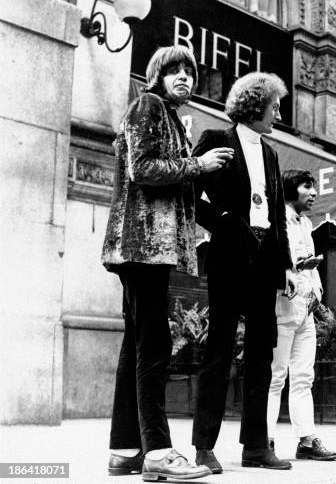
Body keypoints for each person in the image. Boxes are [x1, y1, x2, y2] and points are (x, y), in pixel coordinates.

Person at [101, 45, 234, 481]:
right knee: (153, 344)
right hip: (142, 244)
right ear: (156, 74)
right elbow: (142, 169)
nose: (183, 77)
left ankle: (125, 450)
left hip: (145, 247)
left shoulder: (169, 115)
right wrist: (198, 164)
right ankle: (157, 450)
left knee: (137, 344)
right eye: (173, 70)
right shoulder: (148, 106)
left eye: (189, 72)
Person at [191, 72, 295, 472]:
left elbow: (278, 213)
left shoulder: (270, 152)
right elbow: (191, 192)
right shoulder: (216, 139)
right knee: (217, 349)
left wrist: (285, 264)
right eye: (275, 105)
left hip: (265, 260)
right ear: (255, 106)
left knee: (261, 355)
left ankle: (255, 446)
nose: (279, 112)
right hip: (228, 255)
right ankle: (204, 446)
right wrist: (222, 222)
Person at [266, 170, 336, 461]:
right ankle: (265, 440)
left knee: (303, 378)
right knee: (275, 376)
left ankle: (307, 440)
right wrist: (293, 271)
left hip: (306, 309)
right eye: (307, 186)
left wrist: (318, 293)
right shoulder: (277, 220)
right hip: (283, 305)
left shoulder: (306, 222)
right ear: (290, 188)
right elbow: (277, 261)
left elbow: (312, 266)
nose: (313, 192)